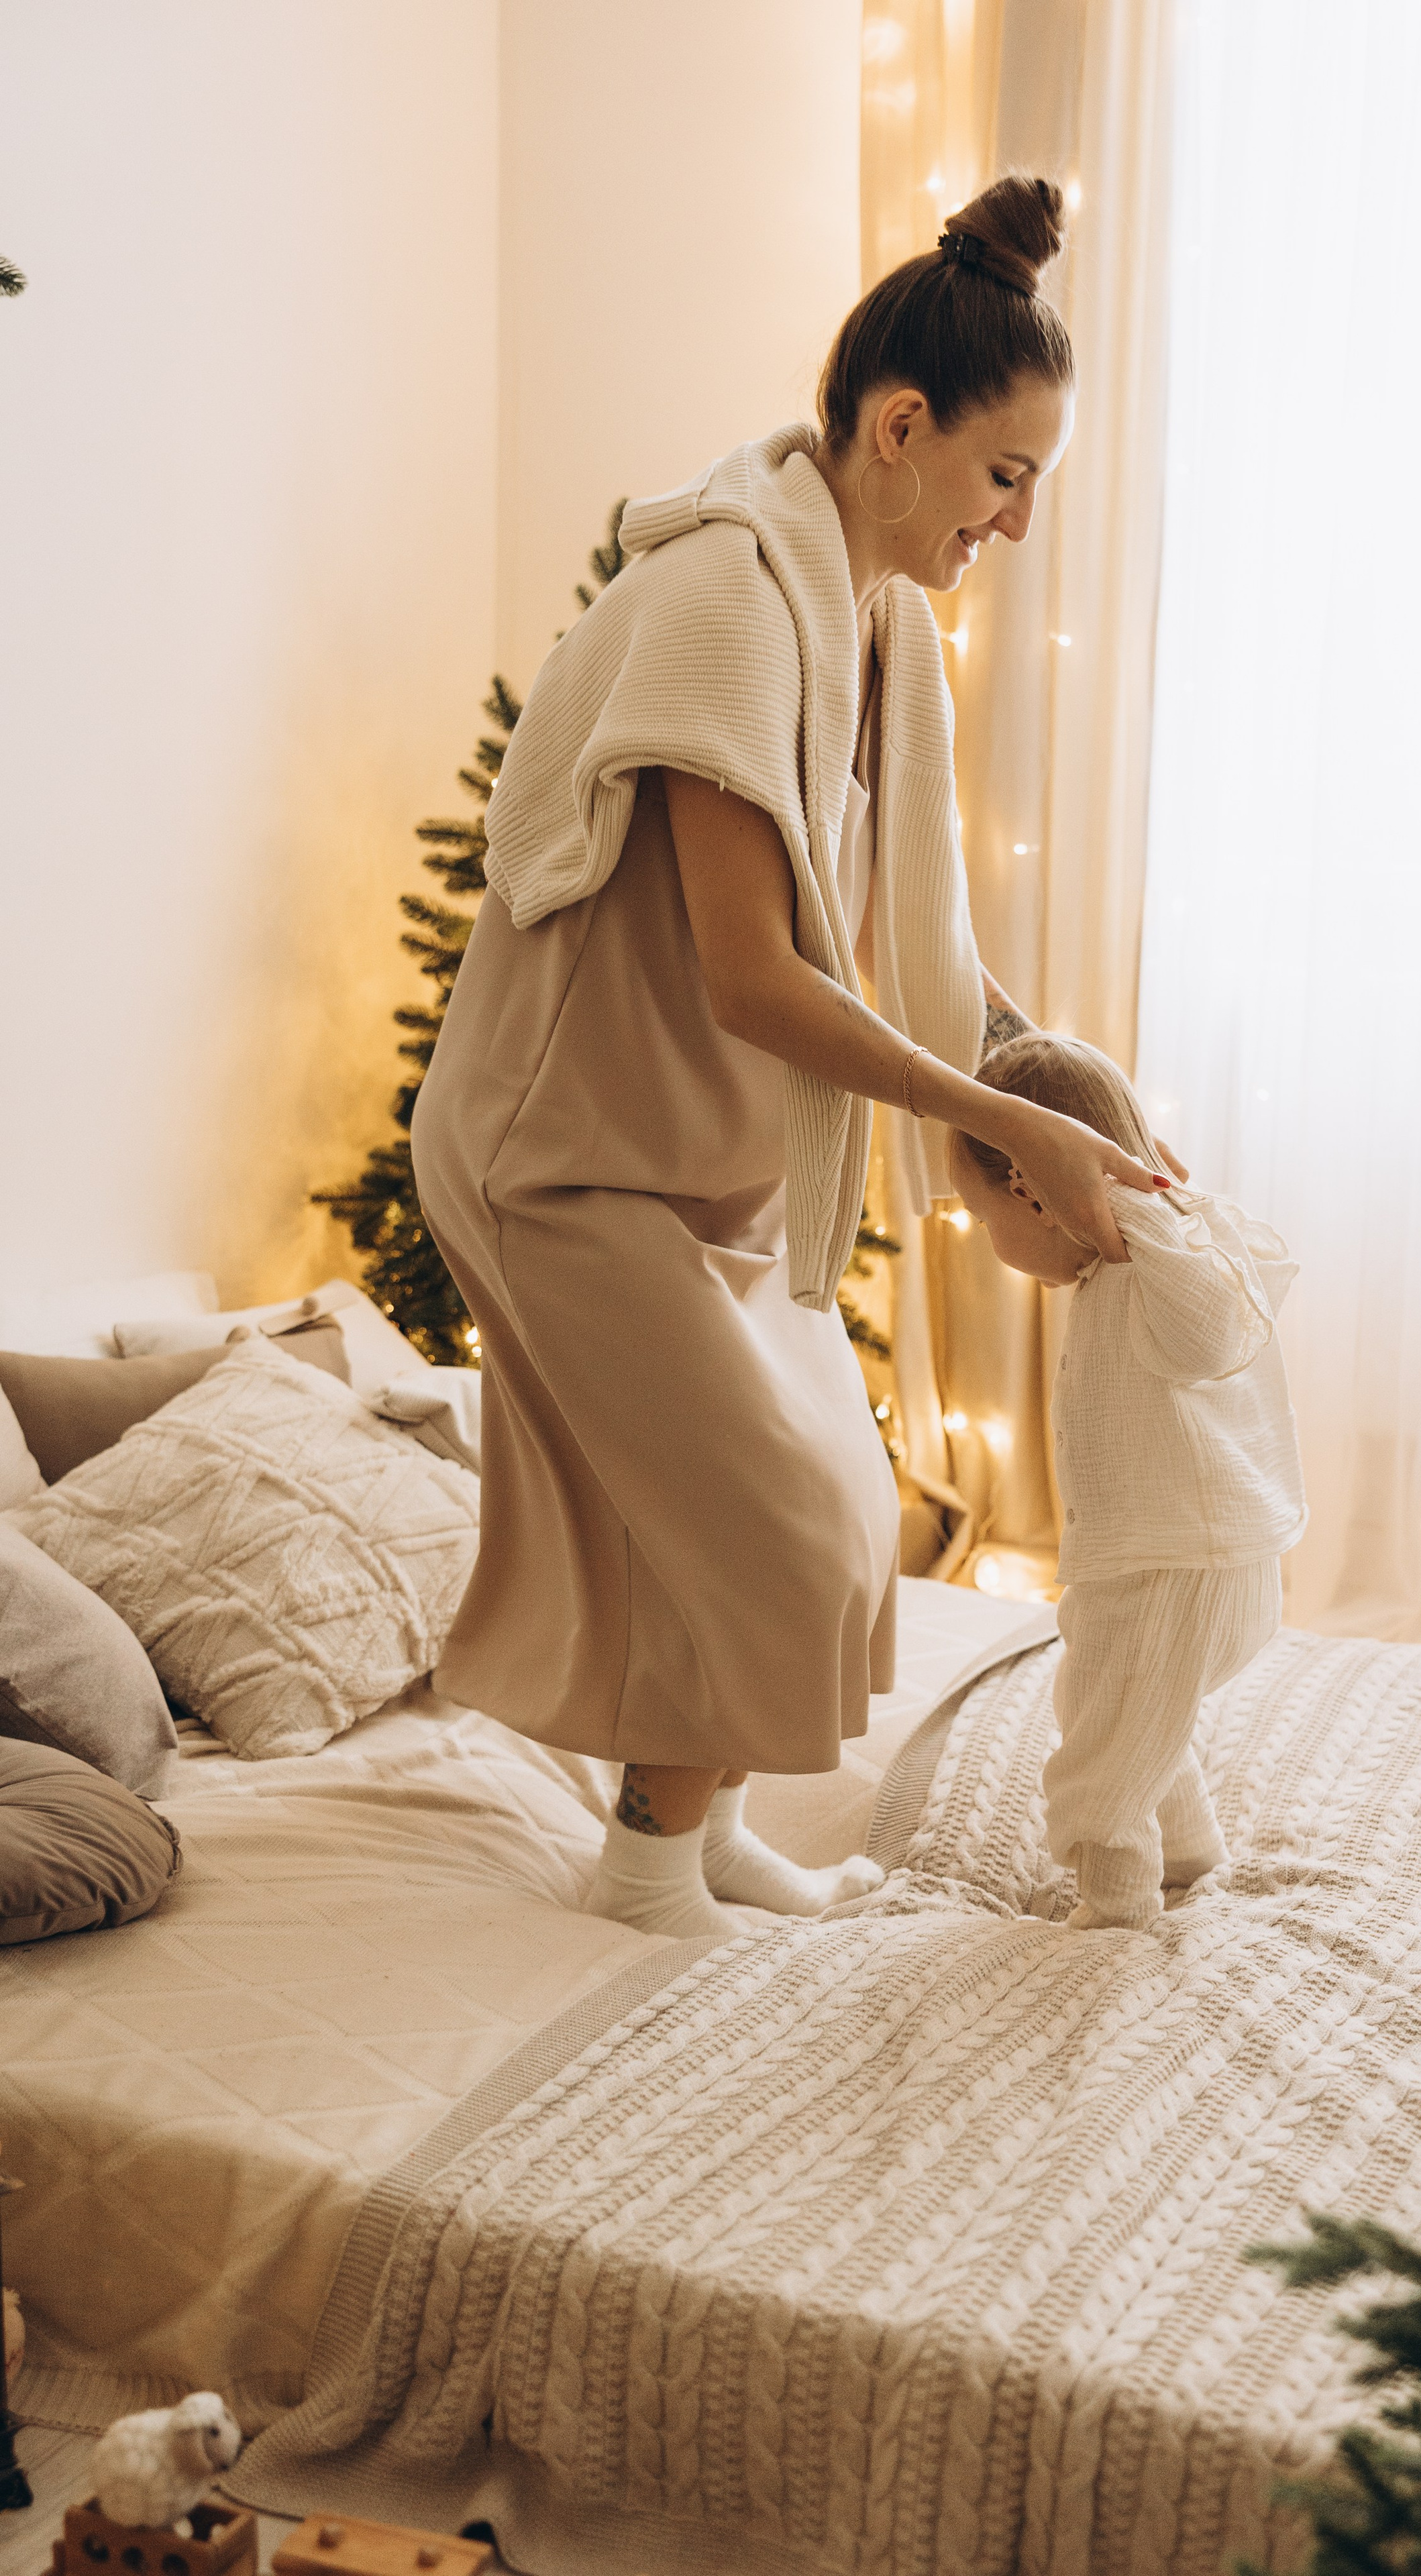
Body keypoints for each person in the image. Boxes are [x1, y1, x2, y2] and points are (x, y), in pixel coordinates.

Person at [412, 176, 1181, 1941]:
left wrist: (1061, 1117)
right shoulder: (729, 605)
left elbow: (920, 951)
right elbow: (754, 976)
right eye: (1009, 477)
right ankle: (643, 1875)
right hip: (558, 1149)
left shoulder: (875, 616)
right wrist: (991, 1118)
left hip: (697, 1146)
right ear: (902, 432)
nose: (1019, 523)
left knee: (840, 1491)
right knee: (762, 1520)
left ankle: (698, 1836)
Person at [949, 1034, 1306, 1929]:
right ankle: (1187, 1851)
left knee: (1100, 1753)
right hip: (1166, 1560)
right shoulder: (1130, 1263)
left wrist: (1134, 1213)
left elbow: (1210, 1338)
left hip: (1181, 1565)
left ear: (1033, 1187)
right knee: (1125, 1708)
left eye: (986, 1218)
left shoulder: (1160, 1255)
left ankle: (1113, 1912)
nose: (991, 1240)